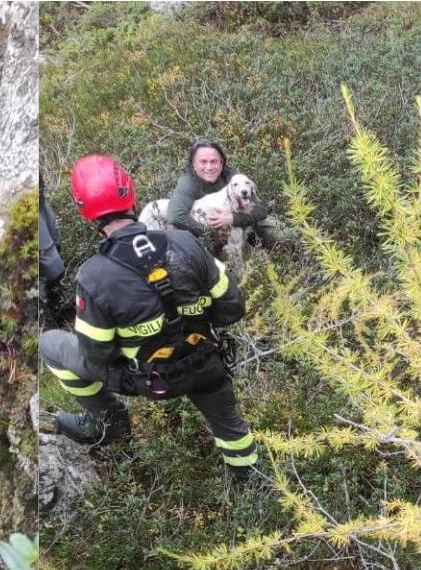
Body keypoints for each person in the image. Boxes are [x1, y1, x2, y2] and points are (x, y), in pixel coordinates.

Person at [39, 154, 259, 479]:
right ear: (131, 193)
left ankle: (109, 422)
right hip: (206, 364)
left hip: (147, 381)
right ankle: (249, 481)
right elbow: (232, 308)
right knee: (231, 426)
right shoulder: (185, 243)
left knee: (49, 345)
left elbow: (95, 356)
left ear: (83, 211)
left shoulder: (94, 277)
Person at [168, 138, 282, 251]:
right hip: (209, 231)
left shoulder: (232, 177)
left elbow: (260, 208)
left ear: (221, 162)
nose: (209, 167)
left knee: (278, 233)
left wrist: (234, 218)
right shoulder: (188, 182)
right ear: (193, 164)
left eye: (213, 161)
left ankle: (287, 254)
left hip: (241, 221)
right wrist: (211, 233)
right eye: (203, 162)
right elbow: (177, 216)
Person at [38, 174, 67, 323]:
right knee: (50, 264)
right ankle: (48, 315)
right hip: (26, 200)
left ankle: (58, 304)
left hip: (38, 195)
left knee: (55, 242)